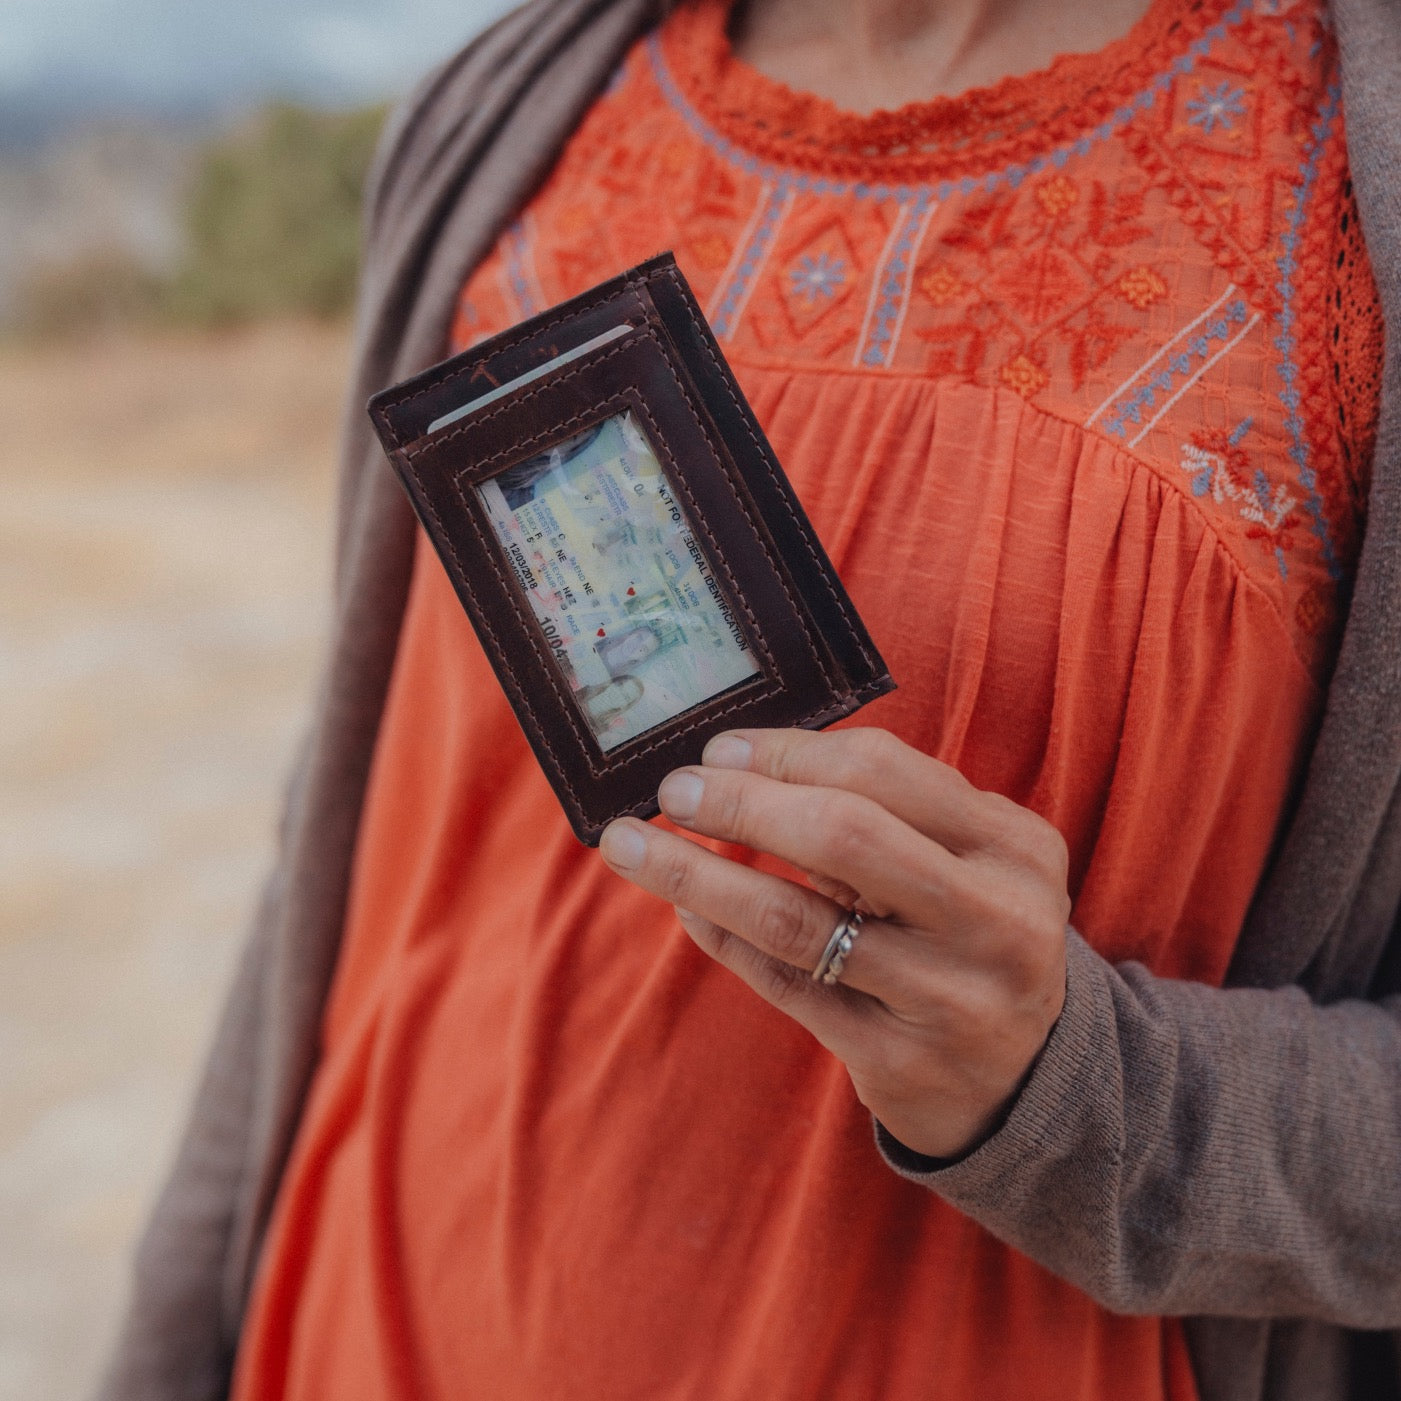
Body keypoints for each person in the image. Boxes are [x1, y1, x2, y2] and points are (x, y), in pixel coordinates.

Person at [99, 0, 1401, 1398]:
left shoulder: (1346, 159)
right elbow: (350, 855)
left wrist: (1090, 1090)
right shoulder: (502, 113)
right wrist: (171, 1346)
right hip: (366, 1325)